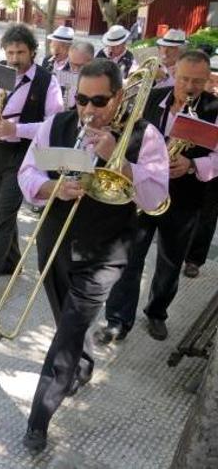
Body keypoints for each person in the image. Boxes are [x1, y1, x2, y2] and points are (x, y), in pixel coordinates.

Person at [18, 59, 169, 454]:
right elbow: (28, 172)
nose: (88, 109)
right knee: (67, 321)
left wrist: (120, 157)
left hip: (106, 251)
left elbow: (155, 199)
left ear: (119, 97)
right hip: (56, 241)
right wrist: (53, 189)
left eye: (99, 100)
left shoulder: (146, 134)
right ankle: (82, 365)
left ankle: (39, 417)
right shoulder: (57, 125)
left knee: (67, 332)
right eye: (82, 98)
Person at [99, 50, 218, 344]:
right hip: (141, 190)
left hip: (185, 197)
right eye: (184, 79)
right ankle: (117, 319)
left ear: (208, 80)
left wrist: (192, 165)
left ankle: (156, 312)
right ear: (173, 73)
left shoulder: (215, 109)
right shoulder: (150, 99)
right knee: (129, 258)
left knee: (170, 261)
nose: (190, 87)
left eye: (198, 81)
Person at [0, 24, 65, 305]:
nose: (14, 58)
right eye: (10, 51)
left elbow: (53, 125)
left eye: (20, 52)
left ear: (32, 51)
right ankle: (12, 261)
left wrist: (16, 129)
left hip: (23, 154)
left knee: (4, 215)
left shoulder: (48, 81)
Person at [185, 53, 218, 278]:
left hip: (212, 170)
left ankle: (194, 259)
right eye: (213, 80)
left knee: (207, 214)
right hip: (183, 167)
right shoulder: (195, 98)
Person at [60, 41, 96, 108]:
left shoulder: (98, 81)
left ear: (91, 61)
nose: (75, 70)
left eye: (80, 66)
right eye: (72, 64)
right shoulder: (60, 73)